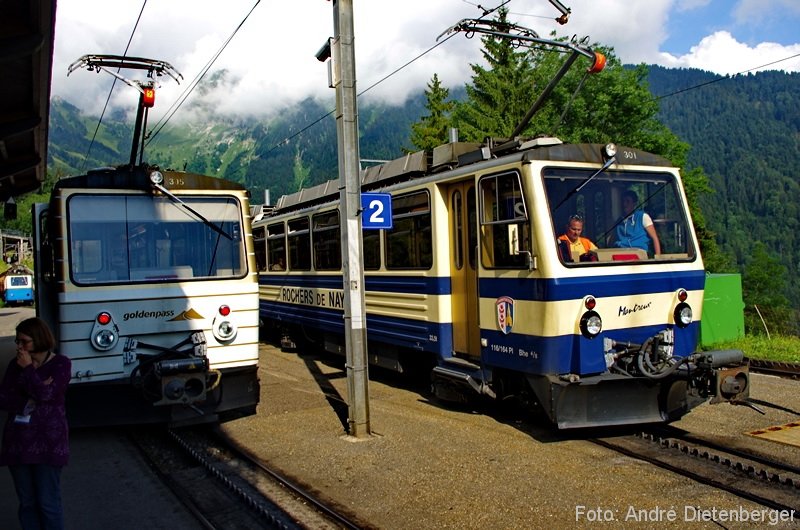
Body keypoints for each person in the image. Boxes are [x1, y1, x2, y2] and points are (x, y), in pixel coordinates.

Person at [0, 317, 71, 530]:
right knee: (28, 503)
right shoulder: (15, 365)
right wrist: (31, 398)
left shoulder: (61, 363)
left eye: (24, 341)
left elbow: (48, 394)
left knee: (48, 503)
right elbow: (3, 398)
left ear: (39, 340)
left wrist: (29, 372)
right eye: (17, 341)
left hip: (49, 443)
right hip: (18, 442)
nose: (19, 346)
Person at [614, 190, 661, 255]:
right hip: (620, 255)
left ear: (634, 203)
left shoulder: (642, 217)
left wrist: (658, 259)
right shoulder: (619, 221)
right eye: (623, 201)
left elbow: (654, 238)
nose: (624, 204)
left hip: (639, 256)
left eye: (628, 201)